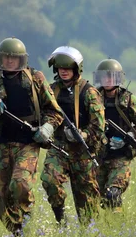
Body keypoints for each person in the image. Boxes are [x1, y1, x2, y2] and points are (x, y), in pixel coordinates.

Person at [0, 37, 63, 237]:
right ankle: (17, 234)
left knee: (20, 182)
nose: (10, 61)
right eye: (6, 57)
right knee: (3, 195)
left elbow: (54, 112)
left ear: (22, 59)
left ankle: (26, 217)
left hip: (28, 142)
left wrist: (47, 127)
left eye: (14, 58)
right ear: (0, 58)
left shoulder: (36, 78)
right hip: (2, 142)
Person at [41, 46, 105, 224]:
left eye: (68, 68)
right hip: (59, 148)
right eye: (61, 68)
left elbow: (98, 127)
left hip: (83, 153)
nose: (64, 72)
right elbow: (42, 114)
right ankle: (61, 219)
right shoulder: (51, 91)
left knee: (88, 207)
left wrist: (83, 135)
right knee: (49, 180)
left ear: (76, 69)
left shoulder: (89, 92)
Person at [93, 58, 136, 211]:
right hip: (98, 156)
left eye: (111, 76)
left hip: (121, 157)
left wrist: (129, 136)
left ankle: (118, 222)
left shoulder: (129, 100)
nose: (108, 80)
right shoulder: (93, 98)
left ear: (118, 78)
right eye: (105, 76)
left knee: (113, 194)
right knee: (94, 198)